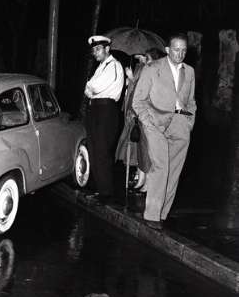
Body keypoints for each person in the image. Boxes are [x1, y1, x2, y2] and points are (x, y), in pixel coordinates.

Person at [132, 33, 197, 230]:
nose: (180, 54)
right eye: (176, 50)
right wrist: (147, 122)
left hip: (180, 124)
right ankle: (151, 215)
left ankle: (162, 214)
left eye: (184, 50)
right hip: (155, 123)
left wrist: (189, 122)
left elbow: (191, 102)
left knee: (174, 171)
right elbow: (138, 100)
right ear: (168, 50)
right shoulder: (152, 68)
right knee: (161, 167)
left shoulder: (190, 72)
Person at [115, 47, 166, 182]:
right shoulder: (143, 69)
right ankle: (141, 179)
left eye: (147, 58)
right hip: (137, 113)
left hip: (147, 116)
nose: (143, 59)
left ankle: (147, 182)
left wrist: (132, 79)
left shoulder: (155, 73)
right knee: (140, 149)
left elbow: (144, 92)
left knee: (147, 150)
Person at [84, 35, 125, 204]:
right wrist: (90, 88)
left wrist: (90, 87)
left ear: (107, 49)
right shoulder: (101, 67)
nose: (95, 52)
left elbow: (94, 87)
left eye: (98, 49)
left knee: (102, 151)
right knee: (94, 150)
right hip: (96, 109)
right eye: (93, 50)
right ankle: (100, 189)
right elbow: (87, 91)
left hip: (106, 110)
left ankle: (106, 192)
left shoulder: (114, 65)